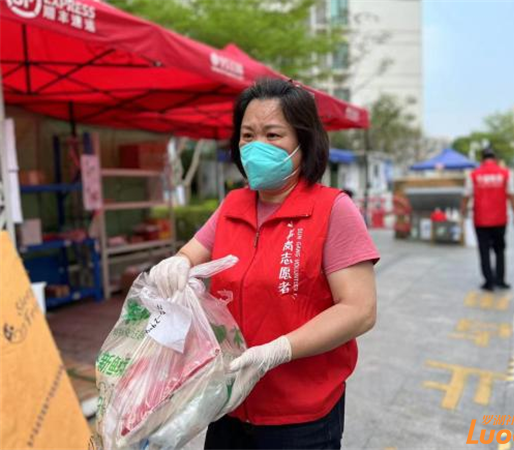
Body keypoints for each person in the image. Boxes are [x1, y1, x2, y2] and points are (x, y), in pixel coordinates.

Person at [149, 78, 379, 449]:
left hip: (301, 415)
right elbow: (189, 254)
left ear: (304, 141)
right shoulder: (233, 205)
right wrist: (175, 265)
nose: (257, 146)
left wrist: (278, 350)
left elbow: (359, 309)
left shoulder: (333, 209)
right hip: (228, 402)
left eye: (273, 135)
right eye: (247, 135)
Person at [461, 147, 514, 292]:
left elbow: (466, 196)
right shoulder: (506, 174)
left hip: (481, 220)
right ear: (495, 159)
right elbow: (512, 196)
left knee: (484, 251)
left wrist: (463, 213)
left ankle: (489, 282)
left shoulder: (473, 175)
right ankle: (500, 280)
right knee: (500, 250)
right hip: (500, 220)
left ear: (482, 159)